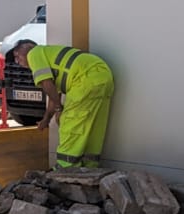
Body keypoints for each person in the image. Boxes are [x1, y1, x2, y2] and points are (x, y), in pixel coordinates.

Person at [14, 39, 115, 169]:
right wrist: (46, 119)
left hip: (84, 79)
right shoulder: (50, 57)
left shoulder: (34, 53)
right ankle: (90, 167)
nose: (17, 61)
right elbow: (53, 95)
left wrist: (59, 109)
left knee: (70, 123)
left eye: (17, 55)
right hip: (104, 76)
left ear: (27, 47)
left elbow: (46, 84)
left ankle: (65, 167)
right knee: (93, 125)